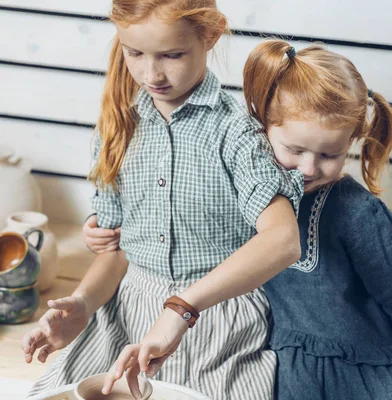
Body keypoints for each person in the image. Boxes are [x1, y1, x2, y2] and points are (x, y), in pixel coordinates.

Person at [85, 39, 392, 399]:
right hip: (284, 365)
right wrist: (105, 230)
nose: (309, 168)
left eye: (331, 155)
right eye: (294, 149)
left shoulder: (359, 215)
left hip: (364, 371)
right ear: (261, 128)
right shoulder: (250, 187)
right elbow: (184, 214)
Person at [21, 3, 303, 399]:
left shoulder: (239, 134)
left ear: (211, 34)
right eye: (134, 53)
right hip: (126, 317)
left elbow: (283, 240)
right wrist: (83, 304)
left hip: (217, 323)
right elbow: (118, 253)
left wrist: (181, 309)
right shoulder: (118, 128)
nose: (151, 74)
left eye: (172, 55)